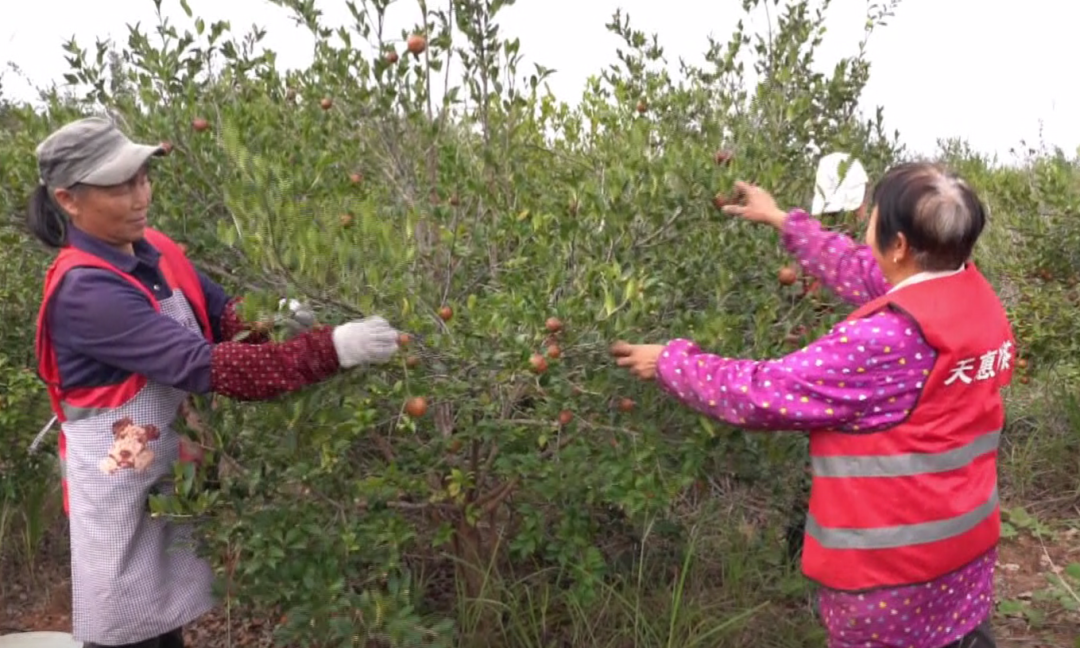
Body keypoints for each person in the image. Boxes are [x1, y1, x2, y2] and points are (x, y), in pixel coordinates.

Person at [27, 116, 402, 648]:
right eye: (119, 187)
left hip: (166, 482)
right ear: (68, 199)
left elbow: (226, 319)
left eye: (143, 178)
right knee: (126, 626)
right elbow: (212, 367)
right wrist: (332, 349)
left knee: (163, 624)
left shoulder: (153, 249)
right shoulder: (86, 292)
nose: (140, 196)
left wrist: (277, 321)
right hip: (115, 493)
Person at [611, 162, 1012, 648]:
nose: (866, 228)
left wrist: (672, 362)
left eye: (874, 219)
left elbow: (763, 392)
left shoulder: (881, 342)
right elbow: (869, 271)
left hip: (891, 580)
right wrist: (784, 220)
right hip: (963, 558)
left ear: (901, 245)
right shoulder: (971, 296)